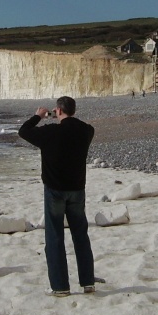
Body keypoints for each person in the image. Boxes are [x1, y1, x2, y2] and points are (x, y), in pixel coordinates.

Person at [18, 96, 96, 297]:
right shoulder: (86, 131)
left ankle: (60, 286)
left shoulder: (50, 132)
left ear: (58, 111)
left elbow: (23, 132)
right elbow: (83, 127)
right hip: (77, 189)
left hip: (54, 189)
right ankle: (88, 282)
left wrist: (38, 116)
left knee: (54, 237)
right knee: (80, 236)